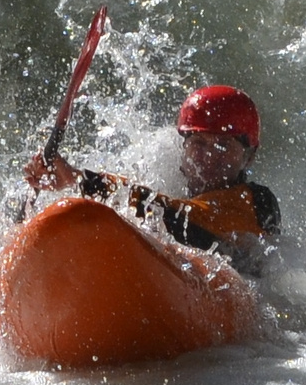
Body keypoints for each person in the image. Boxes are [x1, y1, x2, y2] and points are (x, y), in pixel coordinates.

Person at [23, 85, 280, 275]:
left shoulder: (258, 202)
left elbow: (183, 217)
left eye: (223, 145)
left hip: (244, 290)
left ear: (249, 157)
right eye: (199, 143)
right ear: (184, 147)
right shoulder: (170, 181)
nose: (209, 157)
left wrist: (80, 180)